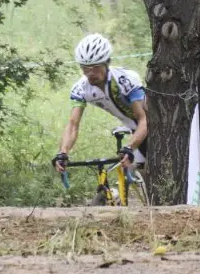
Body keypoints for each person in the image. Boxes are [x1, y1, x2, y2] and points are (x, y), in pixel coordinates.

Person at [51, 33, 148, 173]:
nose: (90, 73)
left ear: (106, 63)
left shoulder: (125, 80)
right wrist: (63, 152)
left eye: (95, 67)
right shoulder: (81, 89)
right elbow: (73, 124)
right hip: (134, 127)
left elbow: (144, 118)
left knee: (158, 175)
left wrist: (130, 146)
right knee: (141, 172)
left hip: (154, 126)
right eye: (85, 68)